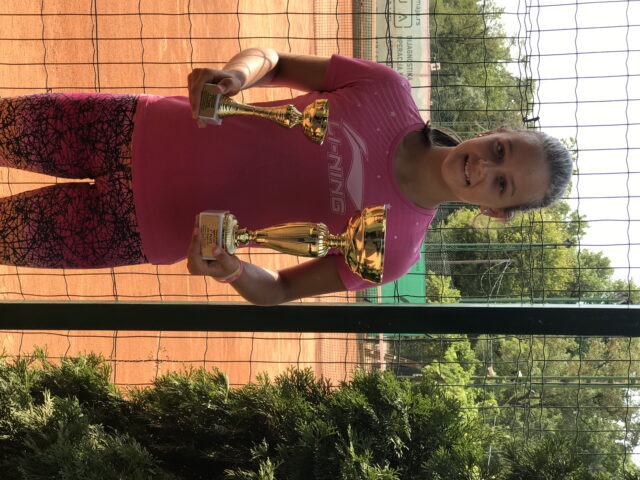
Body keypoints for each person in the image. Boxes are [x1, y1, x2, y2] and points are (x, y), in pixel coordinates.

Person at [0, 48, 572, 305]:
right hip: (129, 126)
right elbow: (272, 60)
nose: (484, 165)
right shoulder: (387, 91)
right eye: (499, 149)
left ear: (496, 212)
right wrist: (234, 77)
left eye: (502, 184)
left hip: (133, 229)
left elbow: (278, 290)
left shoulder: (392, 253)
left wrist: (231, 268)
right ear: (495, 131)